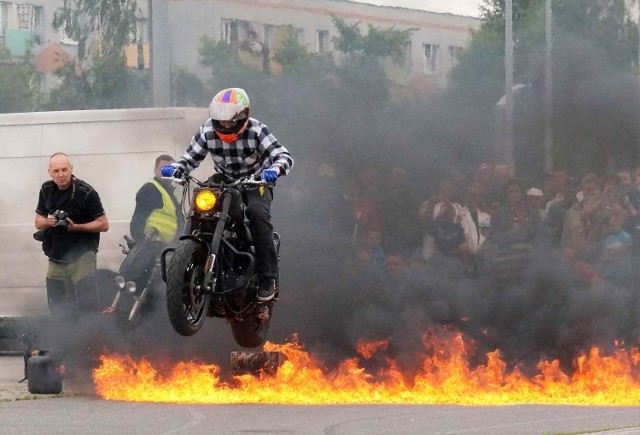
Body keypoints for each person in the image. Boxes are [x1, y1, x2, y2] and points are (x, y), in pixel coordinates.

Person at [166, 87, 293, 302]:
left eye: (229, 121)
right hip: (224, 179)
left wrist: (275, 169)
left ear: (243, 116)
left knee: (257, 213)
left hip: (255, 181)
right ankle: (189, 256)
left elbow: (283, 155)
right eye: (220, 121)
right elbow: (190, 158)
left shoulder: (257, 130)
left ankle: (267, 277)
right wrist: (178, 168)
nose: (224, 125)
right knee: (200, 204)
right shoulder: (207, 131)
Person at [34, 152, 109, 316]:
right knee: (57, 303)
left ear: (71, 169)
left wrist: (76, 227)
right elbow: (38, 221)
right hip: (56, 256)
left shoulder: (86, 192)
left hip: (82, 254)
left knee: (86, 303)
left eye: (64, 170)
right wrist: (49, 222)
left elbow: (103, 224)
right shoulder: (46, 190)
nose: (61, 175)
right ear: (49, 172)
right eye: (56, 171)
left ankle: (90, 338)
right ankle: (65, 338)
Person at [130, 154, 184, 244]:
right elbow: (137, 222)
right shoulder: (150, 189)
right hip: (155, 248)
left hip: (168, 248)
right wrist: (144, 244)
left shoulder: (167, 191)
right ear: (155, 170)